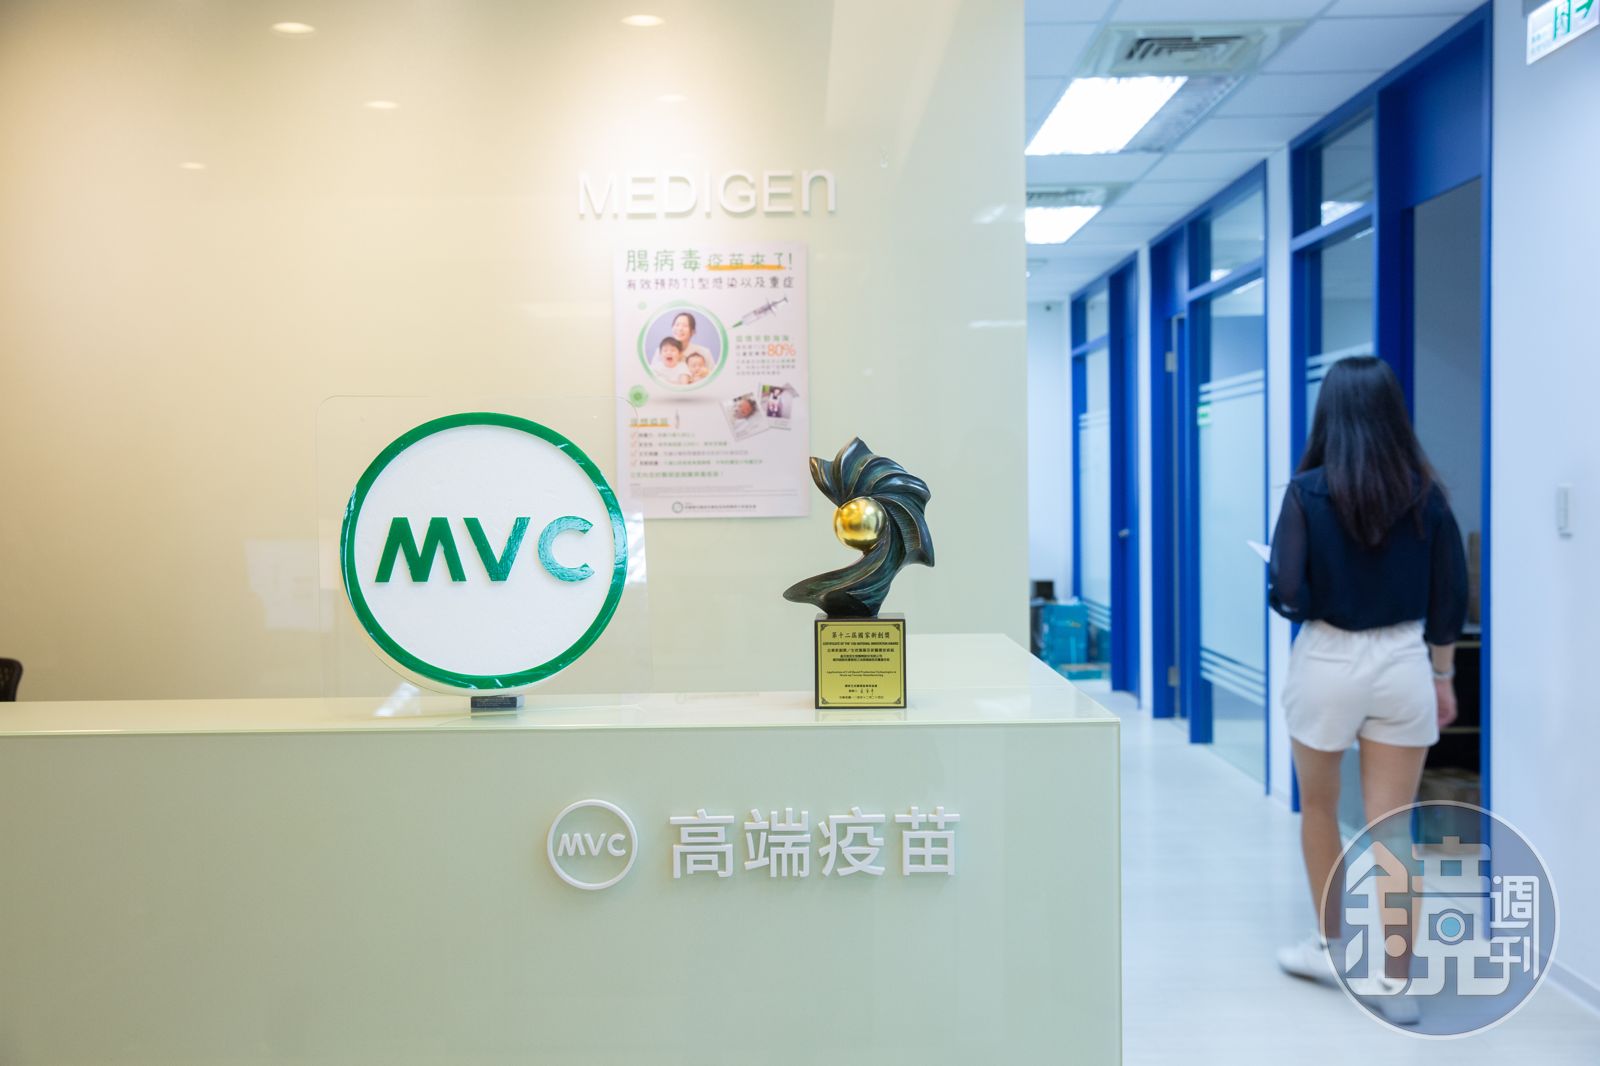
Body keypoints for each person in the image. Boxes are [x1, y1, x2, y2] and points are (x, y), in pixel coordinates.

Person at [1268, 356, 1468, 1027]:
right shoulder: (1426, 495)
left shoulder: (1306, 493)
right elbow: (1449, 600)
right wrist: (1443, 677)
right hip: (1404, 660)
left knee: (1320, 808)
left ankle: (1329, 949)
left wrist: (1311, 584)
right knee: (1393, 824)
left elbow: (1288, 595)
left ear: (1330, 413)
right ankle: (1396, 981)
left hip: (1327, 657)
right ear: (1391, 414)